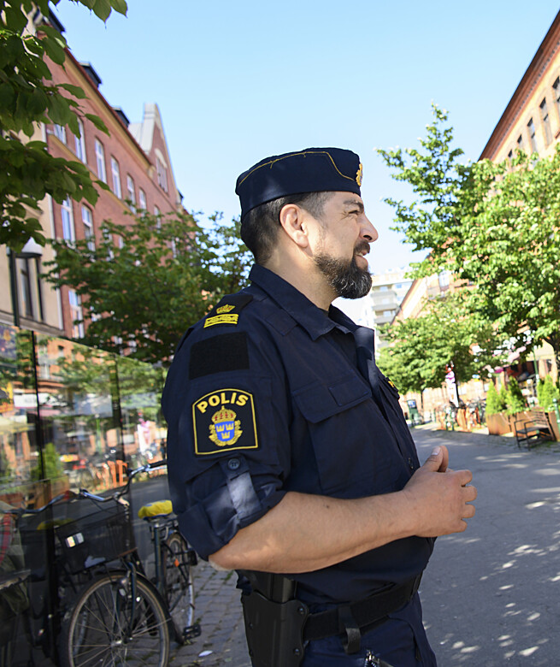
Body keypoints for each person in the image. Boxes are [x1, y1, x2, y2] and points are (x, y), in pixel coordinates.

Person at [162, 147, 477, 666]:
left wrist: (414, 492)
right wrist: (411, 511)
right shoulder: (232, 346)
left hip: (395, 631)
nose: (371, 229)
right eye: (353, 211)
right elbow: (239, 534)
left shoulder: (335, 338)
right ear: (298, 226)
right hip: (335, 648)